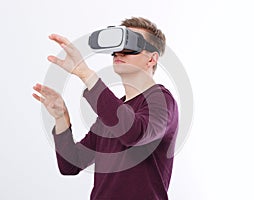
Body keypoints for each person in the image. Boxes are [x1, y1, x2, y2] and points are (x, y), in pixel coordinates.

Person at [33, 17, 178, 200]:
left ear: (151, 59)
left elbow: (134, 133)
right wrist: (61, 118)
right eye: (118, 46)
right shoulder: (110, 111)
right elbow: (71, 164)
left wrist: (86, 73)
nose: (120, 53)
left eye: (131, 45)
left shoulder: (162, 101)